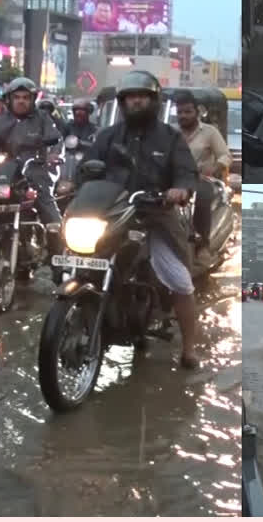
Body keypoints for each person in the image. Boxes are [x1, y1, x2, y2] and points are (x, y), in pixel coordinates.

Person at [87, 70, 200, 369]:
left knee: (180, 279)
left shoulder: (170, 137)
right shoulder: (107, 136)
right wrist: (73, 182)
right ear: (123, 102)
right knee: (76, 254)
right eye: (130, 97)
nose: (136, 102)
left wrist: (180, 189)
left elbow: (187, 171)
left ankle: (189, 347)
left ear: (153, 100)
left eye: (142, 96)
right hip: (113, 213)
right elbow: (88, 167)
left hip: (155, 215)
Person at [0, 77, 63, 244]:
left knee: (46, 203)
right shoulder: (0, 120)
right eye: (17, 97)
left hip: (36, 171)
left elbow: (56, 141)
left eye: (25, 97)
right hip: (6, 172)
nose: (21, 101)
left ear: (32, 99)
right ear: (9, 99)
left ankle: (57, 256)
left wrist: (53, 155)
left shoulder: (43, 119)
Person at [172, 90, 230, 266]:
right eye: (180, 112)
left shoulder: (210, 132)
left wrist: (214, 168)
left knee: (203, 195)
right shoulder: (170, 133)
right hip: (176, 179)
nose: (184, 116)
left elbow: (225, 156)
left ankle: (202, 245)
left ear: (197, 112)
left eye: (188, 112)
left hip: (201, 178)